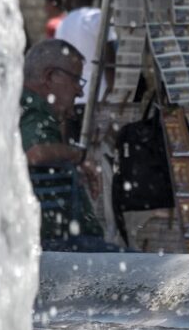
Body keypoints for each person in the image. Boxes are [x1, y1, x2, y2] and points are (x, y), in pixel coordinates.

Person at [20, 39, 122, 252]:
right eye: (76, 80)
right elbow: (35, 152)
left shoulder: (28, 106)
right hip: (62, 247)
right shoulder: (31, 106)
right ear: (50, 77)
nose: (79, 92)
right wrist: (79, 156)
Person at [55, 0, 117, 143]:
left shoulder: (63, 24)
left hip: (72, 100)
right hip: (98, 97)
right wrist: (113, 94)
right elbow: (110, 60)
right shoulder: (98, 18)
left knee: (78, 155)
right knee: (101, 153)